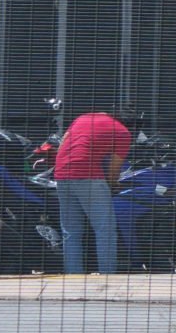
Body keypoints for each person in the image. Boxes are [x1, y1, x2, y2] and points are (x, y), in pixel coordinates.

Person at [46, 108, 131, 277]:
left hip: (61, 174)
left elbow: (63, 144)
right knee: (105, 230)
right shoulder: (122, 132)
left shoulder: (82, 118)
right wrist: (113, 185)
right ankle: (107, 275)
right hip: (88, 176)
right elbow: (114, 170)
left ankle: (73, 275)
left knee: (71, 231)